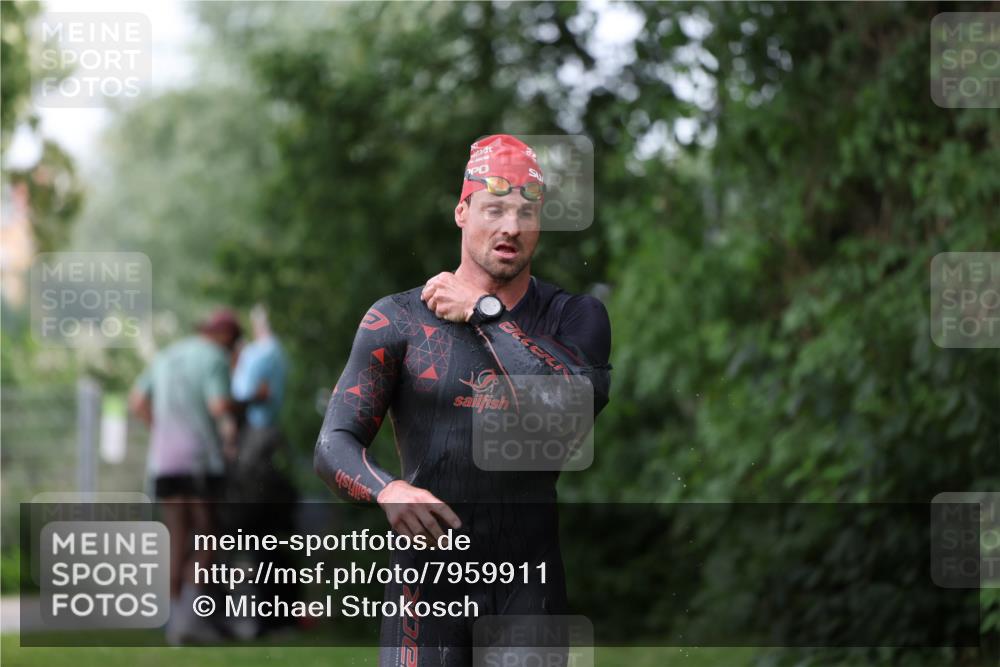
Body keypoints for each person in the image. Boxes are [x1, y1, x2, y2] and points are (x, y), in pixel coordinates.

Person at [313, 134, 612, 666]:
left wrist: (484, 310)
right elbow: (334, 442)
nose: (511, 227)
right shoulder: (399, 319)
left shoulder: (575, 318)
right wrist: (389, 491)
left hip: (528, 585)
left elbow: (570, 407)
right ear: (462, 211)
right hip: (424, 584)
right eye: (494, 209)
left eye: (526, 212)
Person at [129, 308, 242, 644]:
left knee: (177, 538)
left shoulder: (167, 355)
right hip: (199, 460)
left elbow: (137, 401)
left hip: (164, 462)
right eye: (233, 342)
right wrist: (239, 415)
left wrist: (160, 431)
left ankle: (173, 622)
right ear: (224, 336)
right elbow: (219, 406)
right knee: (208, 536)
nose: (232, 350)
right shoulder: (214, 358)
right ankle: (190, 620)